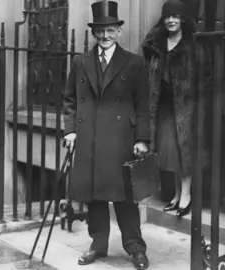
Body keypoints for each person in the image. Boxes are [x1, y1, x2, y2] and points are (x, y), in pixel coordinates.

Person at [62, 1, 150, 269]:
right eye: (100, 31)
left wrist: (142, 139)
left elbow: (143, 105)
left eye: (110, 30)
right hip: (89, 137)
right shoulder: (80, 62)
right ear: (93, 33)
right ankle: (97, 246)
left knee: (125, 197)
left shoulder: (134, 63)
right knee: (95, 196)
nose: (105, 36)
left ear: (118, 32)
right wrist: (71, 131)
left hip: (121, 138)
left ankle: (135, 247)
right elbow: (69, 100)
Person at [142, 0, 197, 218]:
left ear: (182, 19)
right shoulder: (158, 44)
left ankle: (186, 195)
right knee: (171, 151)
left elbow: (204, 76)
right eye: (167, 17)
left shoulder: (193, 44)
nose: (171, 20)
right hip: (164, 106)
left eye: (175, 16)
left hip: (187, 106)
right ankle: (176, 194)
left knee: (186, 150)